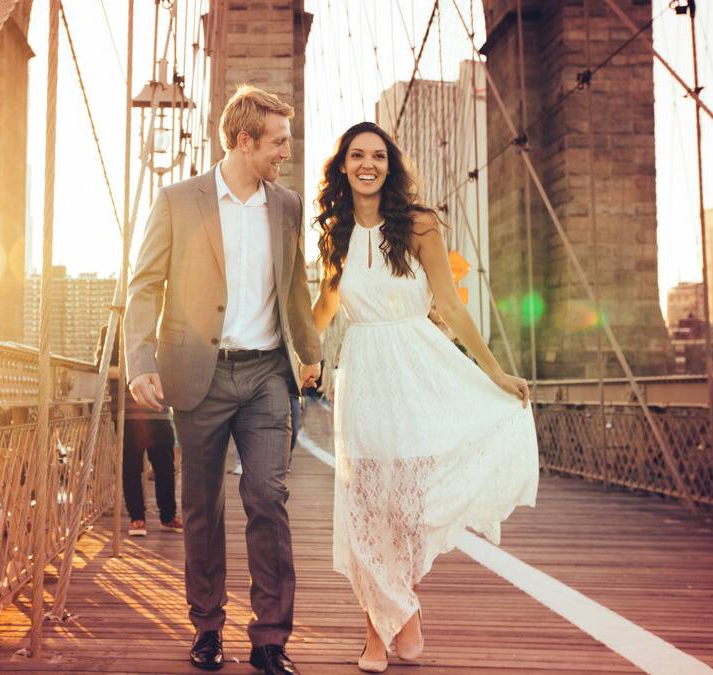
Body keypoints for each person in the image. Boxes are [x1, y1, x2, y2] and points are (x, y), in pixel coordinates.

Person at [309, 122, 539, 672]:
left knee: (403, 511)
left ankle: (401, 616)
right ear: (342, 164)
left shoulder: (418, 224)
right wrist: (295, 352)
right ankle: (378, 635)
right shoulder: (336, 233)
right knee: (364, 510)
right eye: (357, 155)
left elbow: (453, 308)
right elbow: (323, 309)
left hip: (418, 371)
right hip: (362, 378)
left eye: (379, 156)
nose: (369, 164)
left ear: (390, 166)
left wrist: (495, 373)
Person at [124, 85, 321, 675]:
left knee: (268, 497)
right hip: (198, 374)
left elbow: (296, 286)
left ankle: (269, 639)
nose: (286, 151)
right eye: (278, 141)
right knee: (202, 507)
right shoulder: (178, 200)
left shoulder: (286, 205)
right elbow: (144, 286)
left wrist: (309, 353)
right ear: (244, 140)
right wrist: (140, 361)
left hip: (265, 374)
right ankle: (207, 628)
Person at [95, 324, 182, 537]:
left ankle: (168, 517)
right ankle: (137, 519)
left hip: (158, 411)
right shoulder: (112, 329)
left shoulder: (161, 326)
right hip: (127, 413)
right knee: (131, 468)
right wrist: (136, 373)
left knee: (165, 467)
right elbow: (103, 368)